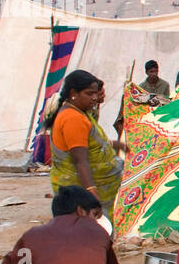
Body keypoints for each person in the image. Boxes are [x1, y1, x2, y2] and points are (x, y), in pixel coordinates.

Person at [46, 70, 127, 218]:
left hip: (99, 185)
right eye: (89, 94)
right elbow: (80, 160)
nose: (94, 98)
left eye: (96, 93)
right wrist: (91, 191)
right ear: (73, 93)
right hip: (81, 190)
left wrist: (113, 144)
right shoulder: (72, 118)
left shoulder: (80, 112)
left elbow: (86, 143)